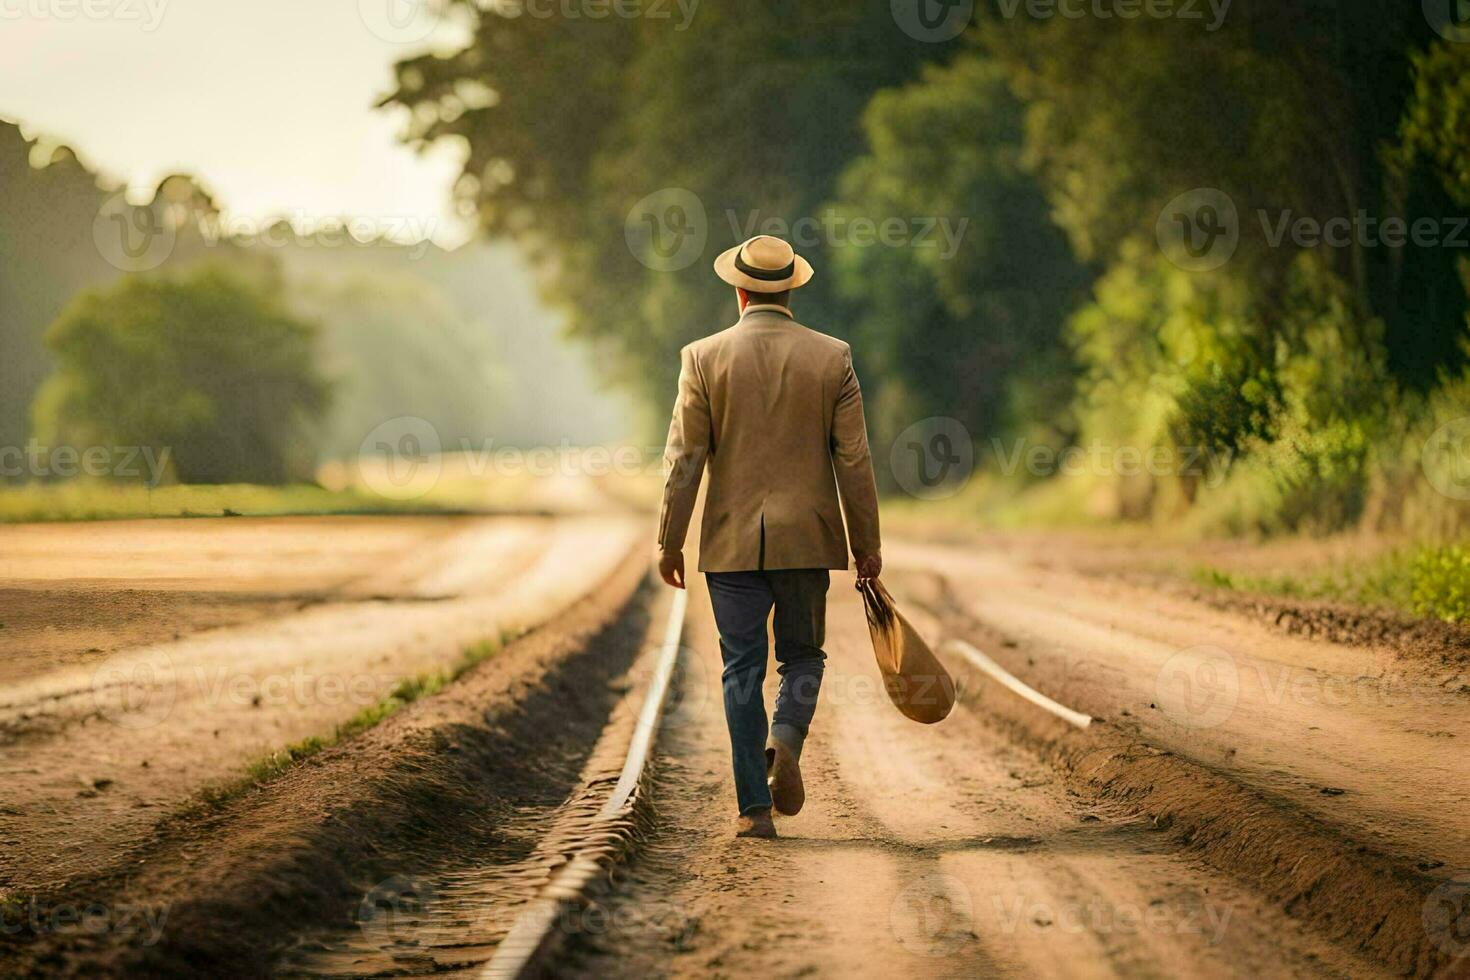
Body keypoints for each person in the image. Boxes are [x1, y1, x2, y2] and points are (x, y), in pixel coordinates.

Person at [656, 234, 882, 839]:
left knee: (741, 671)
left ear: (738, 289)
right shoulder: (833, 358)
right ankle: (785, 739)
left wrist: (670, 540)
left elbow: (685, 459)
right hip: (808, 540)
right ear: (790, 288)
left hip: (730, 545)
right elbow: (854, 460)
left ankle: (754, 810)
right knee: (804, 657)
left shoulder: (702, 358)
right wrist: (866, 547)